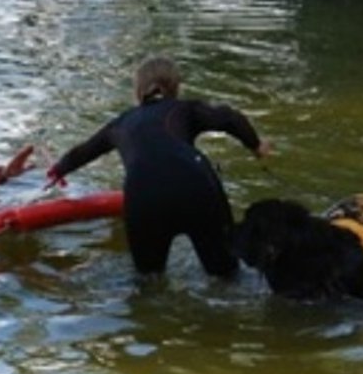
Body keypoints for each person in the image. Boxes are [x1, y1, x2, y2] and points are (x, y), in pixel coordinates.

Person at [45, 55, 271, 278]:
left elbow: (84, 151)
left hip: (143, 195)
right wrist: (256, 146)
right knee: (226, 275)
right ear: (176, 87)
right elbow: (229, 118)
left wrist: (58, 170)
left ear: (138, 90)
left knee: (149, 281)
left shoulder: (121, 123)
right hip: (195, 186)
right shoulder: (184, 109)